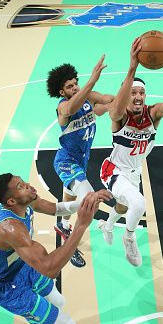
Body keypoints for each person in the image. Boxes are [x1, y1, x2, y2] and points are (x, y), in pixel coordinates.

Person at [0, 173, 111, 324]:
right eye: (20, 187)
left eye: (23, 181)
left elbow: (55, 208)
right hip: (5, 286)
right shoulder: (10, 229)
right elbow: (49, 268)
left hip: (21, 267)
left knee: (59, 302)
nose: (28, 185)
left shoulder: (25, 202)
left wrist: (86, 203)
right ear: (11, 201)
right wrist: (81, 225)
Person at [98, 38, 163, 267]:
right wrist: (132, 67)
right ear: (127, 95)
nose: (137, 97)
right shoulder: (120, 115)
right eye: (133, 92)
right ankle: (129, 237)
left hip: (134, 172)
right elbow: (116, 108)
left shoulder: (153, 113)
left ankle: (107, 226)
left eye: (141, 93)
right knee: (139, 204)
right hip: (114, 170)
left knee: (123, 206)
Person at [46, 55, 114, 267]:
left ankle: (63, 223)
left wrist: (129, 88)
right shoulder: (63, 108)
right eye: (70, 86)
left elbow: (108, 102)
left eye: (76, 84)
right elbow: (71, 108)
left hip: (81, 161)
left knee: (72, 198)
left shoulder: (88, 98)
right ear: (61, 92)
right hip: (66, 161)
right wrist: (92, 80)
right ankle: (68, 242)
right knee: (89, 203)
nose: (75, 88)